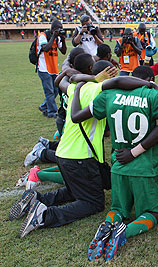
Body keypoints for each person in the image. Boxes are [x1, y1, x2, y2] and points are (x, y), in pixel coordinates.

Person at [69, 66, 158, 262]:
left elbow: (76, 117)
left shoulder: (109, 94)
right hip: (144, 166)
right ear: (150, 79)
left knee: (117, 210)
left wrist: (76, 92)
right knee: (154, 212)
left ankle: (107, 226)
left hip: (119, 165)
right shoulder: (152, 94)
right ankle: (124, 233)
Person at [10, 58, 118, 238]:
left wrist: (77, 75)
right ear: (108, 75)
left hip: (63, 153)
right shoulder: (100, 91)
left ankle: (38, 199)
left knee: (77, 190)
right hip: (80, 156)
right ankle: (44, 215)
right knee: (93, 202)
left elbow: (59, 82)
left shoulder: (78, 88)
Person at [37, 20, 67, 119]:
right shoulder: (43, 36)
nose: (60, 30)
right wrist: (54, 36)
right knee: (49, 91)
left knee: (55, 90)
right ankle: (52, 112)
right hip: (43, 68)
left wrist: (62, 39)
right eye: (58, 29)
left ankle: (44, 106)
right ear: (53, 29)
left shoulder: (57, 38)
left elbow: (63, 51)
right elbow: (45, 48)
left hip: (54, 68)